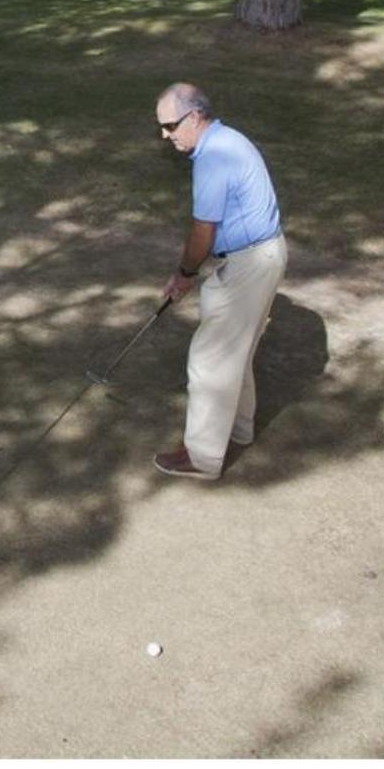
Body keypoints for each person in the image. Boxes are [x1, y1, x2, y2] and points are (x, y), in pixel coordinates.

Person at [152, 82, 287, 481]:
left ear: (195, 117)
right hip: (265, 255)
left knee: (209, 359)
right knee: (236, 351)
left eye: (170, 126)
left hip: (251, 262)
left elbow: (202, 231)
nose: (165, 135)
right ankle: (240, 430)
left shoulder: (212, 158)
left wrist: (184, 275)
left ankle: (202, 456)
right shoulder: (227, 139)